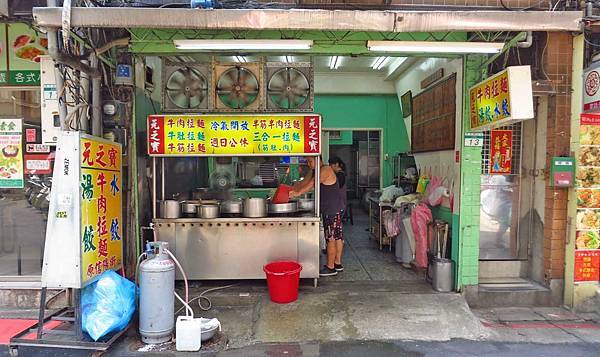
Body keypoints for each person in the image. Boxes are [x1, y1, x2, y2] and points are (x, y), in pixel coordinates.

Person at [290, 157, 344, 277]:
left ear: (318, 159)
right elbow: (305, 182)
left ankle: (331, 267)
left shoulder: (326, 170)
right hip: (331, 208)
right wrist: (293, 188)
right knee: (336, 236)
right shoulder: (315, 170)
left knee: (331, 238)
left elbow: (311, 184)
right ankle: (337, 264)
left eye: (310, 161)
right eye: (307, 162)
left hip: (332, 210)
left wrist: (298, 193)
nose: (308, 164)